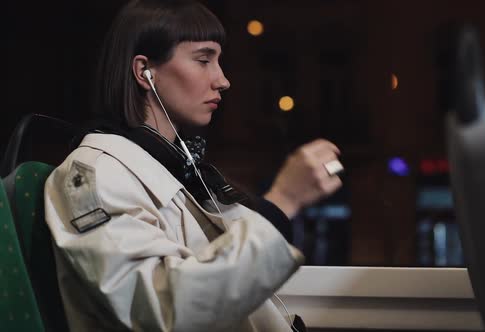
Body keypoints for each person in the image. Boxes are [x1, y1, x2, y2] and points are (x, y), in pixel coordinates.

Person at [44, 0, 343, 331]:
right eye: (203, 60)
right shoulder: (92, 176)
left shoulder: (177, 168)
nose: (223, 80)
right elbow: (162, 310)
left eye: (220, 61)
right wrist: (285, 199)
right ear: (145, 71)